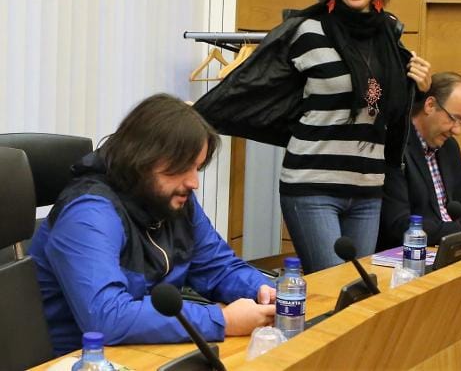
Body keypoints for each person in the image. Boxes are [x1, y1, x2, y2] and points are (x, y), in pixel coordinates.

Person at [193, 0, 431, 273]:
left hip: (369, 190)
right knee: (331, 289)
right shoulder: (308, 30)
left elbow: (388, 109)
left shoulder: (390, 34)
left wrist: (418, 88)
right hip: (312, 186)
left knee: (357, 294)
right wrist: (199, 114)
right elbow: (255, 83)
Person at [29, 94, 276, 356]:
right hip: (79, 359)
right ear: (142, 159)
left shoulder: (173, 199)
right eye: (183, 167)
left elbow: (217, 267)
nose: (194, 182)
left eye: (197, 167)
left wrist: (261, 291)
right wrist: (222, 320)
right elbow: (107, 317)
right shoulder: (89, 214)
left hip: (145, 349)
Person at [378, 72, 461, 250]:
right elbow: (399, 225)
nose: (457, 130)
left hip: (451, 248)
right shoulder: (396, 147)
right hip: (412, 255)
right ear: (430, 105)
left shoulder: (449, 147)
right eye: (454, 119)